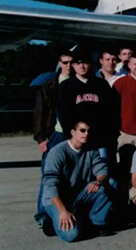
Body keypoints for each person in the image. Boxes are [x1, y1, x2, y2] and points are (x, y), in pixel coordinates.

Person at [40, 120, 112, 242]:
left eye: (88, 131)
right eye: (82, 130)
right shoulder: (58, 152)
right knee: (71, 235)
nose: (86, 133)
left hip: (76, 195)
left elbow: (102, 169)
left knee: (110, 184)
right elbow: (50, 185)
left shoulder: (91, 150)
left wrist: (98, 181)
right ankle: (50, 223)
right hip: (56, 200)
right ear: (73, 132)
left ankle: (96, 223)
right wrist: (62, 211)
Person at [33, 50, 73, 227]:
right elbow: (39, 113)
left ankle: (67, 209)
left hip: (75, 135)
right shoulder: (50, 85)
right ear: (60, 63)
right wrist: (41, 138)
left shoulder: (78, 83)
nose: (69, 66)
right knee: (49, 175)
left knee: (71, 174)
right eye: (65, 62)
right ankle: (43, 215)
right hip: (55, 134)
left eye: (71, 62)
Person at [57, 50, 118, 159]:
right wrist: (70, 135)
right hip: (77, 139)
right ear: (73, 66)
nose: (82, 66)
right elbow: (63, 113)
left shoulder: (101, 84)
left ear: (90, 64)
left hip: (100, 138)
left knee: (102, 170)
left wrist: (109, 133)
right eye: (78, 63)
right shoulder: (65, 86)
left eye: (85, 63)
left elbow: (110, 111)